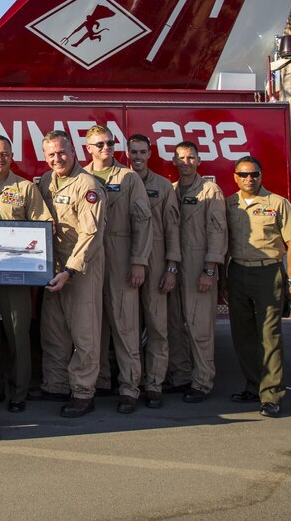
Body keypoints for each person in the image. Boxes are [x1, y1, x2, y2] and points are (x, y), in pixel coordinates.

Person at [0, 135, 52, 413]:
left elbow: (44, 222)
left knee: (18, 334)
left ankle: (19, 392)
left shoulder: (25, 188)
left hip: (17, 277)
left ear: (11, 156)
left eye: (4, 153)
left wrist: (32, 262)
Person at [224, 155, 291, 418]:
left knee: (269, 336)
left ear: (261, 176)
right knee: (242, 335)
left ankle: (271, 395)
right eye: (244, 174)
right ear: (235, 177)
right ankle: (253, 385)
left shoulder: (277, 203)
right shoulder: (228, 204)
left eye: (254, 174)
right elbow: (223, 244)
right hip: (237, 272)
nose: (250, 179)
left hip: (268, 273)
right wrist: (222, 281)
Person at [34, 130, 106, 418]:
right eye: (50, 154)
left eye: (61, 152)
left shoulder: (87, 185)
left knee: (84, 333)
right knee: (54, 331)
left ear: (74, 151)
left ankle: (83, 392)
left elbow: (91, 234)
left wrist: (70, 270)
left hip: (80, 269)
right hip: (52, 268)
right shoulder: (45, 181)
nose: (57, 158)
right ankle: (56, 385)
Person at [83, 125, 152, 415]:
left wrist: (138, 261)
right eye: (99, 144)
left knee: (125, 325)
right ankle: (97, 382)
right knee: (91, 324)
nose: (105, 148)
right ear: (89, 148)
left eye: (110, 143)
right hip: (89, 255)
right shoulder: (81, 177)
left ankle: (129, 388)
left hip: (121, 253)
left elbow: (143, 221)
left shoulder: (128, 177)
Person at [165, 141, 226, 403]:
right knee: (175, 324)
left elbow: (217, 230)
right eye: (181, 158)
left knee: (199, 327)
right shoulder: (173, 190)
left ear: (199, 161)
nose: (185, 162)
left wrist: (210, 269)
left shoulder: (210, 191)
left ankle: (202, 382)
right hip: (175, 264)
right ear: (174, 161)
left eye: (190, 158)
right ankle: (181, 376)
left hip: (199, 262)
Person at [126, 133, 181, 408]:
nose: (137, 157)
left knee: (158, 326)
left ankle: (154, 384)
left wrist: (171, 267)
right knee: (128, 328)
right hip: (128, 259)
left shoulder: (163, 186)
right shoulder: (122, 182)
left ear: (149, 154)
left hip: (157, 260)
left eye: (142, 152)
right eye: (133, 152)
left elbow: (173, 228)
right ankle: (131, 383)